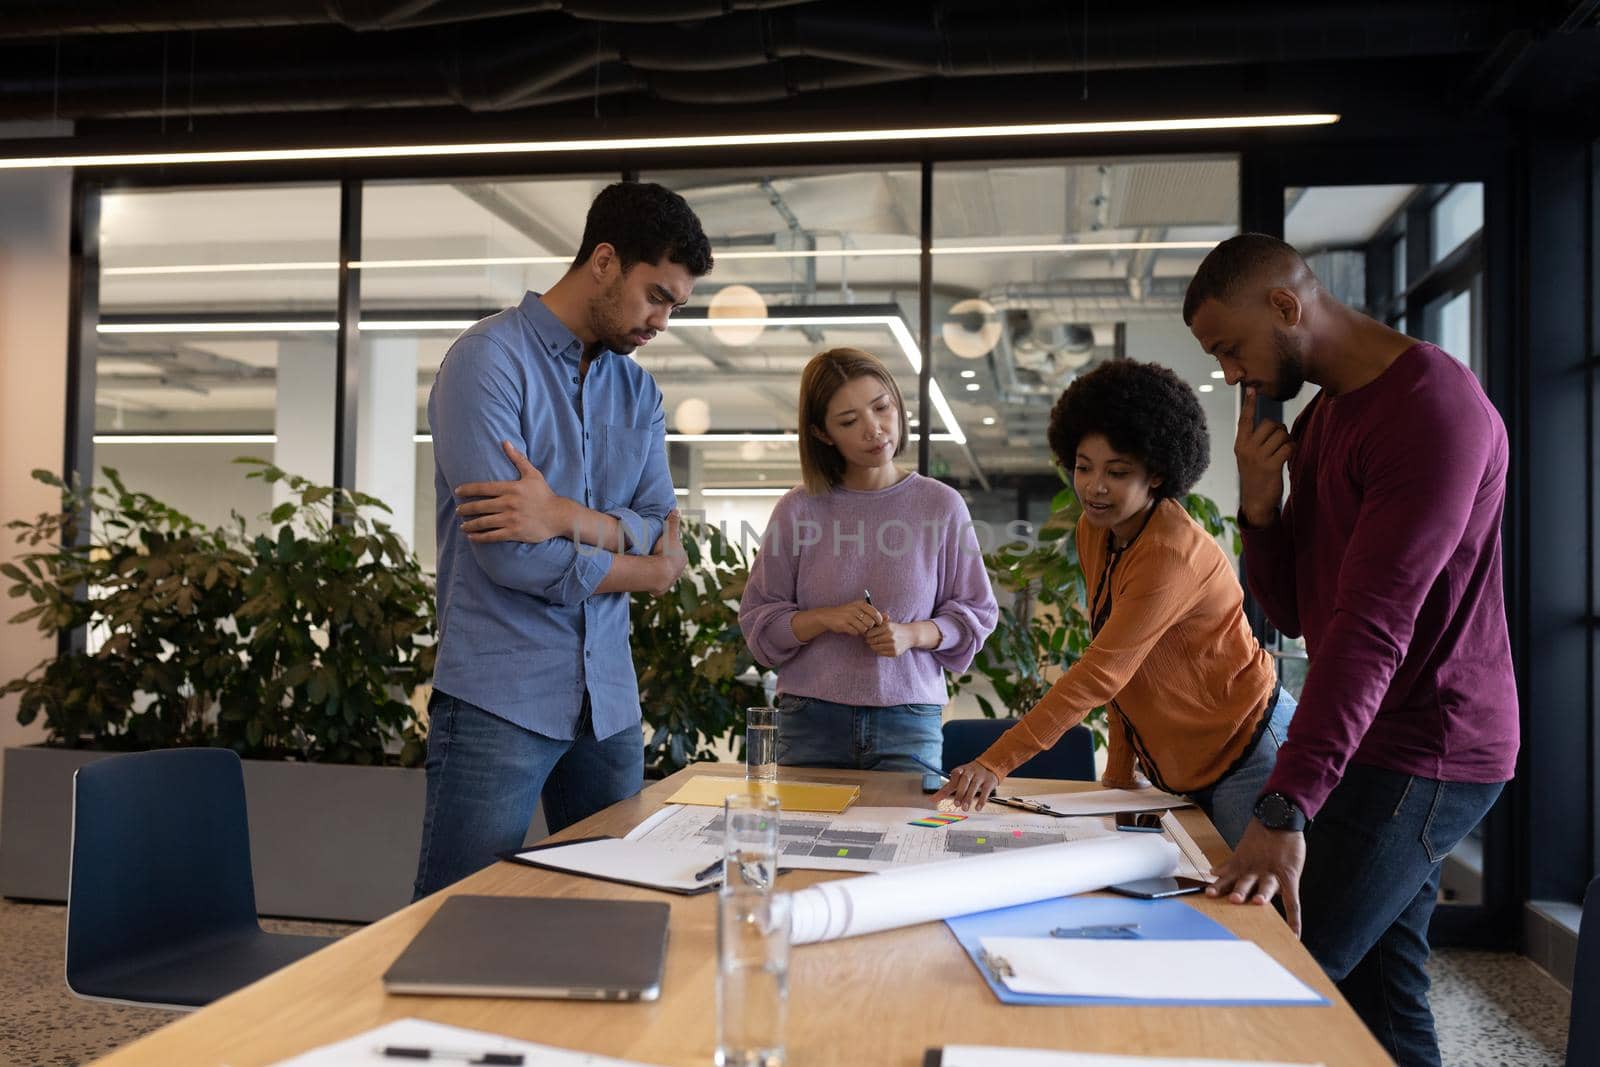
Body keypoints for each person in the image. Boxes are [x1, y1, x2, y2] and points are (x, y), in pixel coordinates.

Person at [1185, 233, 1518, 1067]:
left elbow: (1373, 628)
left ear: (1287, 307)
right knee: (1380, 999)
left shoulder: (1429, 411)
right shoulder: (1327, 417)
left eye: (1231, 348)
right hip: (1371, 739)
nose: (1231, 374)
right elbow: (1302, 614)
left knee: (1283, 977)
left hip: (1430, 750)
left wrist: (1281, 807)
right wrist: (1261, 509)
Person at [412, 181, 712, 899]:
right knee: (457, 915)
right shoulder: (487, 364)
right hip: (498, 696)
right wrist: (642, 566)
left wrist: (561, 515)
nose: (663, 320)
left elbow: (668, 534)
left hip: (607, 700)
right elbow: (514, 554)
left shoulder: (637, 393)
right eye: (657, 295)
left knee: (617, 907)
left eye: (676, 304)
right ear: (604, 262)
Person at [934, 359, 1291, 849]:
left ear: (1158, 473)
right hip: (1179, 765)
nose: (1094, 486)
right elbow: (1120, 660)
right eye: (1083, 467)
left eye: (1117, 472)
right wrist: (1121, 778)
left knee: (1243, 912)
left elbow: (1102, 673)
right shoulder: (1095, 530)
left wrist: (994, 762)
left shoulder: (1169, 553)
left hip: (1249, 750)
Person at [738, 347, 998, 773]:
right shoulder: (798, 509)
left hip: (909, 720)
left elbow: (976, 612)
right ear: (823, 434)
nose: (874, 430)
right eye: (848, 421)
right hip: (810, 721)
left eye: (882, 407)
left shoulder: (941, 505)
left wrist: (914, 634)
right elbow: (759, 621)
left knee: (909, 839)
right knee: (802, 841)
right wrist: (825, 618)